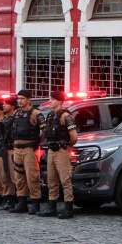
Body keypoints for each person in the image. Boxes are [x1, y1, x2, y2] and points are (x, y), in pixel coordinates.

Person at [40, 91, 79, 219]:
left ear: (59, 101)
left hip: (62, 150)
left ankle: (68, 208)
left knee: (65, 180)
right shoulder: (50, 115)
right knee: (52, 180)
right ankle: (52, 206)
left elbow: (74, 136)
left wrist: (68, 146)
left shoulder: (66, 116)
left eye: (52, 99)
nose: (50, 101)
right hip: (51, 150)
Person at [10, 89, 46, 215]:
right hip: (18, 148)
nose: (19, 101)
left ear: (29, 99)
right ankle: (22, 202)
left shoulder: (36, 113)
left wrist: (37, 142)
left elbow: (44, 131)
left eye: (22, 98)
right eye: (18, 98)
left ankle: (35, 203)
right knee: (19, 177)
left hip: (30, 149)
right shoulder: (16, 113)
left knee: (32, 177)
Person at [0, 97, 19, 211]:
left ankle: (18, 199)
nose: (3, 106)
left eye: (6, 104)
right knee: (4, 176)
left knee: (15, 176)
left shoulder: (16, 118)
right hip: (5, 149)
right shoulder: (3, 119)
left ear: (13, 106)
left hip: (14, 149)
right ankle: (7, 198)